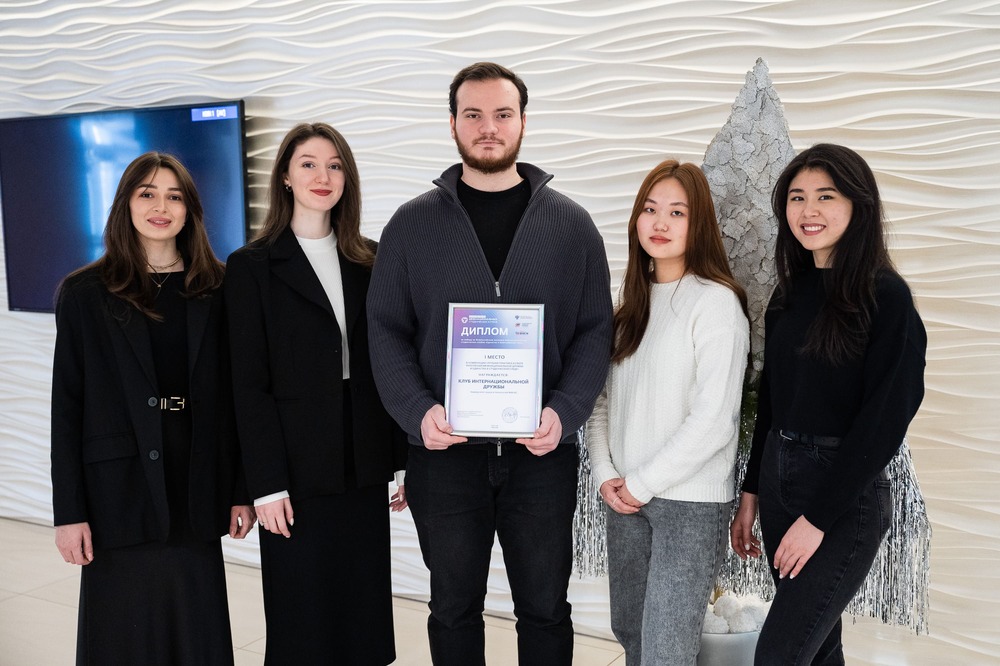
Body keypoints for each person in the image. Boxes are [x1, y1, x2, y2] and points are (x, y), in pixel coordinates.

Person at [366, 62, 613, 665]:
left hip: (541, 454)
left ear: (523, 122)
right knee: (453, 607)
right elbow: (386, 331)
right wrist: (417, 413)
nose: (488, 127)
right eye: (473, 114)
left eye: (502, 114)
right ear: (452, 123)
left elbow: (594, 331)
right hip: (444, 454)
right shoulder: (411, 225)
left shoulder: (572, 226)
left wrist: (565, 411)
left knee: (545, 608)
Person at [51, 151, 254, 665]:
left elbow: (238, 399)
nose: (161, 207)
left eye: (174, 196)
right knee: (121, 636)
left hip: (197, 481)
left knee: (195, 629)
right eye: (147, 194)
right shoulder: (84, 293)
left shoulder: (219, 287)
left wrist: (240, 490)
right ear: (126, 203)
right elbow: (67, 408)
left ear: (190, 210)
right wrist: (69, 513)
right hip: (116, 491)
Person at [730, 144, 927, 665]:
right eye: (797, 197)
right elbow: (772, 403)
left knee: (779, 654)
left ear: (858, 204)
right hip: (779, 477)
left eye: (825, 196)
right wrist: (751, 492)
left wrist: (817, 518)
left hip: (844, 496)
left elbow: (885, 420)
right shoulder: (788, 295)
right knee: (818, 650)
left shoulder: (886, 296)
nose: (808, 210)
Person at [224, 122, 407, 665]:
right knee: (302, 617)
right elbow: (248, 385)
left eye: (334, 165)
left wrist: (402, 459)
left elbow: (390, 362)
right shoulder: (251, 266)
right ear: (285, 176)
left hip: (363, 461)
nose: (322, 176)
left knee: (362, 613)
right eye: (308, 163)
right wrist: (264, 484)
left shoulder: (371, 259)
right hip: (294, 470)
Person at [586, 159, 749, 665]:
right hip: (625, 497)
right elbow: (601, 403)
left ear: (698, 224)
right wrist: (606, 475)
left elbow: (714, 419)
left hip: (689, 503)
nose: (660, 223)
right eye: (650, 209)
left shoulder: (716, 304)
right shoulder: (629, 310)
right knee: (630, 632)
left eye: (677, 212)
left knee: (666, 648)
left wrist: (641, 482)